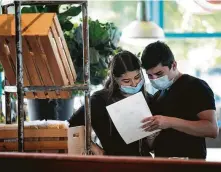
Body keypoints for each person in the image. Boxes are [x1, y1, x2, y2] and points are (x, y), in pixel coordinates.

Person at [140, 41, 219, 159]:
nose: (155, 79)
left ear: (174, 65)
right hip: (161, 164)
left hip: (189, 165)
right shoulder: (157, 95)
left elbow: (212, 130)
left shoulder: (196, 86)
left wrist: (170, 122)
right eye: (150, 76)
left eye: (159, 73)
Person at [68, 50, 152, 156]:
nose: (134, 84)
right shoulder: (99, 100)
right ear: (115, 79)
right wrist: (94, 147)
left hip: (145, 163)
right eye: (126, 81)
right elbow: (71, 125)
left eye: (137, 77)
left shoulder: (148, 98)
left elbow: (153, 144)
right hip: (112, 163)